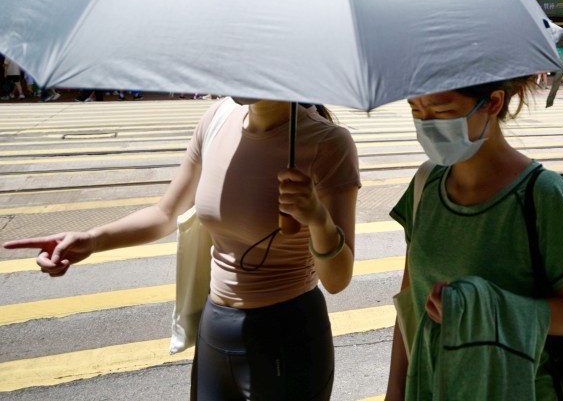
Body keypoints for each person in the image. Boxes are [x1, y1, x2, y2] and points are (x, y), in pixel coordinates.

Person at [4, 98, 361, 400]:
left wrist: (317, 218)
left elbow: (337, 278)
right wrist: (93, 240)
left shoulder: (328, 144)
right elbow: (166, 212)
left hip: (287, 335)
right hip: (215, 327)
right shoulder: (218, 118)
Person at [385, 78, 563, 400]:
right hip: (429, 388)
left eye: (442, 110)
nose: (426, 125)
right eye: (416, 110)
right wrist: (395, 392)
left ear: (493, 103)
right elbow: (409, 301)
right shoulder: (424, 186)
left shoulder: (541, 195)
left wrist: (478, 309)